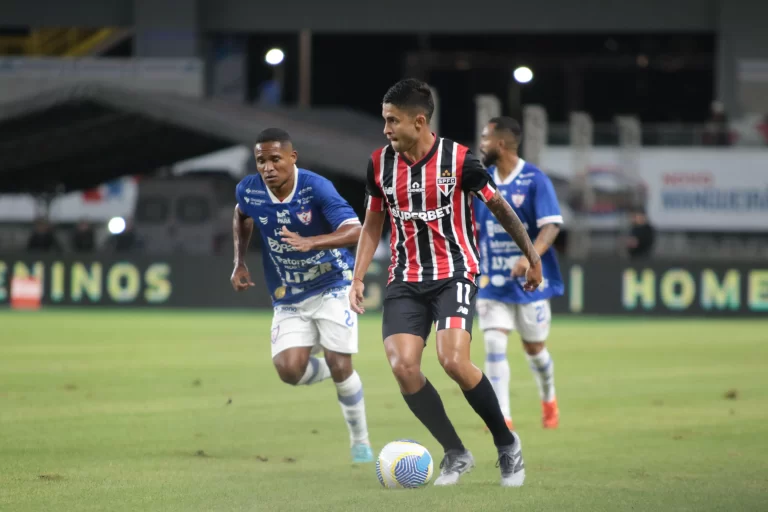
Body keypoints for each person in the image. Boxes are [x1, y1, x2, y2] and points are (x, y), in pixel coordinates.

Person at [349, 79, 542, 487]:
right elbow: (372, 223)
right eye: (384, 121)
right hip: (405, 278)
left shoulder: (459, 161)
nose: (385, 129)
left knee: (452, 360)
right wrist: (358, 277)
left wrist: (532, 254)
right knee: (403, 367)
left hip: (454, 272)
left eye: (392, 121)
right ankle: (455, 452)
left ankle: (508, 445)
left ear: (419, 122)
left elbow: (501, 208)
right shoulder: (379, 164)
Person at [231, 128, 373, 463]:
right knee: (289, 371)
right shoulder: (249, 189)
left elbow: (356, 230)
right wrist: (239, 262)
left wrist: (313, 242)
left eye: (275, 159)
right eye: (261, 160)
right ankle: (341, 368)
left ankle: (360, 442)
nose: (267, 167)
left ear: (292, 158)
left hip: (333, 284)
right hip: (288, 292)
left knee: (341, 364)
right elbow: (241, 214)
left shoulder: (315, 187)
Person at [474, 117, 564, 431]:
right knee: (494, 344)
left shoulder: (534, 179)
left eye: (485, 138)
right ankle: (502, 418)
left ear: (500, 143)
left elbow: (551, 225)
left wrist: (530, 257)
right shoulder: (481, 180)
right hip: (490, 280)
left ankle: (548, 398)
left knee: (535, 349)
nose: (481, 144)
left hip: (530, 284)